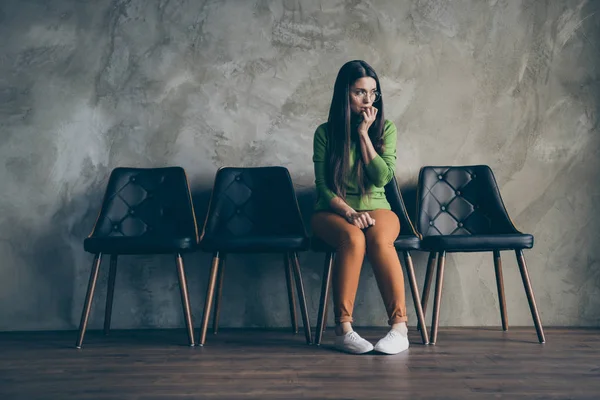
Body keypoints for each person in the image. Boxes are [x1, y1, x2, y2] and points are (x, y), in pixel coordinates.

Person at [311, 60, 409, 355]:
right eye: (359, 93)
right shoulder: (325, 133)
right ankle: (343, 329)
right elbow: (322, 185)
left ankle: (399, 327)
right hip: (332, 211)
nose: (368, 100)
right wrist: (349, 213)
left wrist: (365, 135)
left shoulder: (385, 129)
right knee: (352, 238)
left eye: (373, 93)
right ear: (344, 94)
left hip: (378, 207)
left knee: (379, 239)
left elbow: (383, 177)